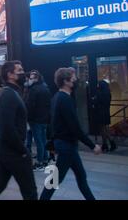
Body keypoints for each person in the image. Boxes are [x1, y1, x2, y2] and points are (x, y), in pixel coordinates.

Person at [40, 67, 102, 200]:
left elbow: (52, 123)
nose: (76, 80)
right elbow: (75, 128)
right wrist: (92, 145)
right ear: (66, 81)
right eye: (73, 78)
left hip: (66, 145)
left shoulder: (57, 97)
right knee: (55, 179)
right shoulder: (64, 100)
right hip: (66, 146)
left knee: (81, 176)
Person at [0, 61, 38, 200]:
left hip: (6, 149)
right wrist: (23, 150)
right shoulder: (8, 94)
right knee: (30, 191)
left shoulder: (13, 92)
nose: (24, 73)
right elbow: (7, 128)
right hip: (13, 152)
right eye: (20, 70)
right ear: (10, 75)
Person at [25, 70, 52, 170]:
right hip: (44, 119)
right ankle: (45, 159)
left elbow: (30, 106)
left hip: (35, 119)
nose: (30, 80)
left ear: (36, 79)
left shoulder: (33, 89)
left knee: (38, 141)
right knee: (43, 140)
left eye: (32, 78)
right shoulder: (46, 89)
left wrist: (28, 118)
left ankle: (40, 162)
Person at [93, 80, 117, 152]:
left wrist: (94, 99)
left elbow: (96, 102)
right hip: (106, 112)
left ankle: (108, 144)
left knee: (103, 130)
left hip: (100, 113)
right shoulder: (108, 93)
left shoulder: (99, 93)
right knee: (105, 129)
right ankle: (106, 144)